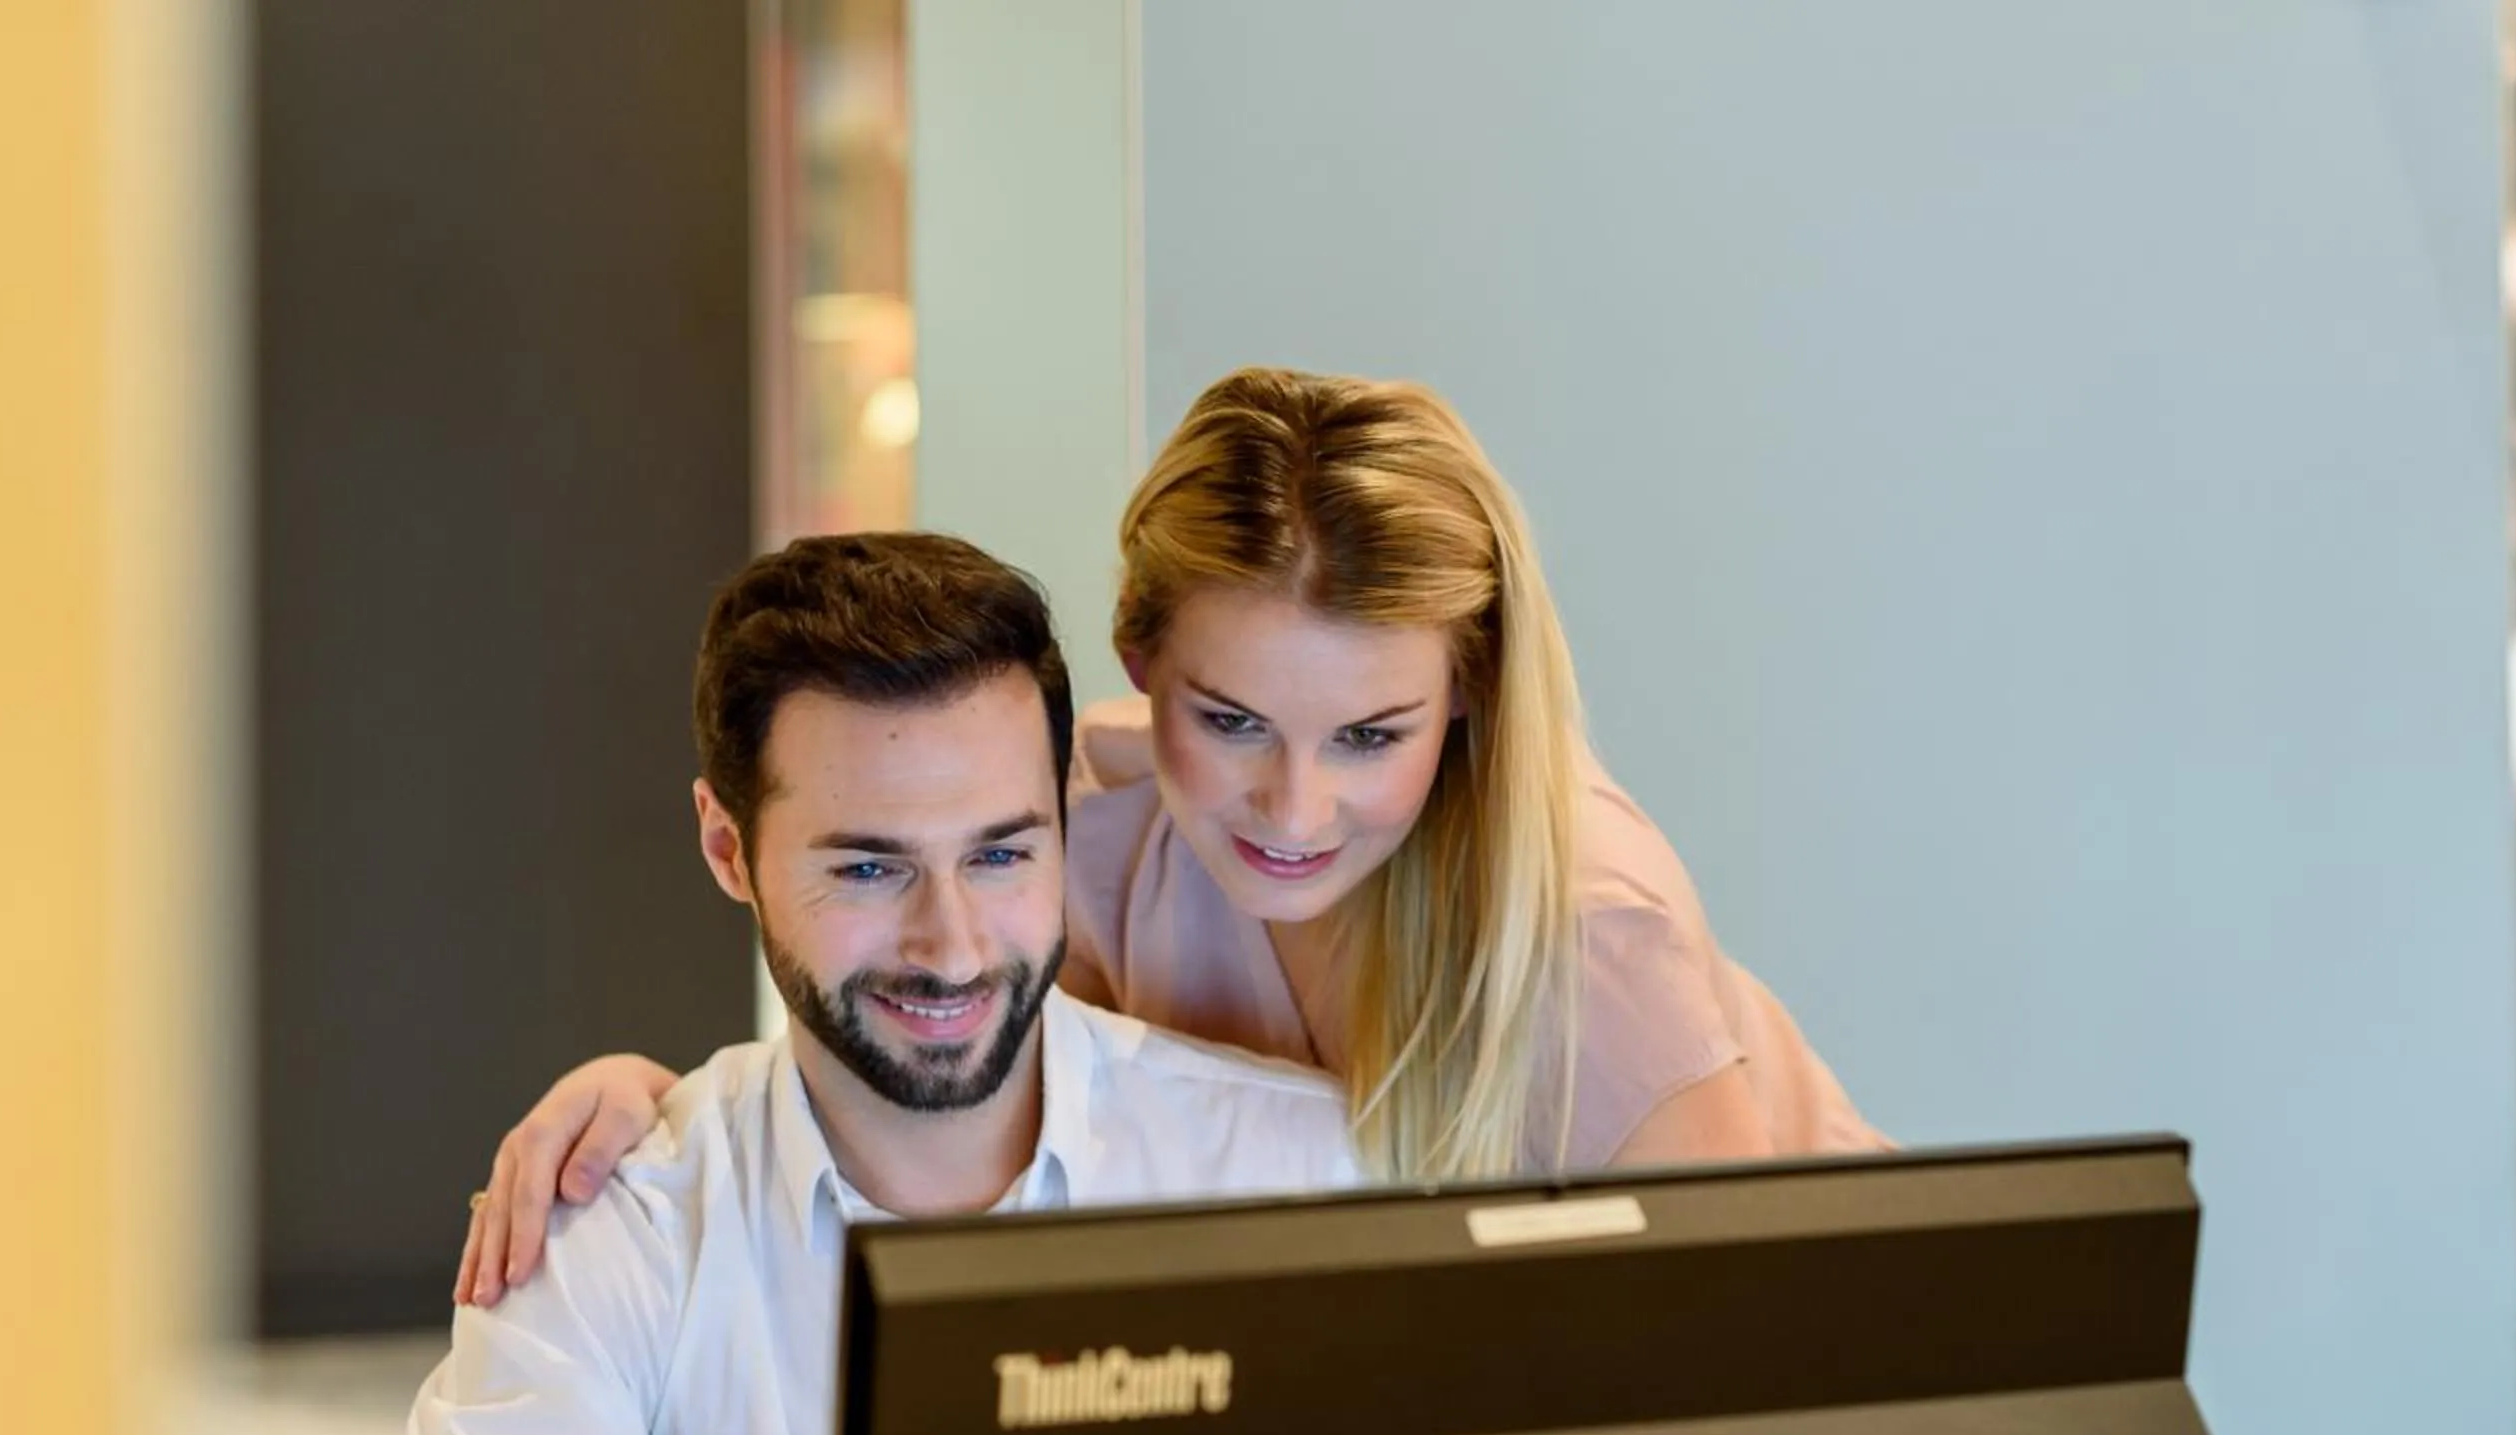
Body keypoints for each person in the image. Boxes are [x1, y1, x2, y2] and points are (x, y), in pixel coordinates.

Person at [302, 533, 1357, 1435]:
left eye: (1002, 851)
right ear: (731, 849)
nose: (951, 943)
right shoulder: (629, 1214)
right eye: (869, 866)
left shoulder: (1308, 1174)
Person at [458, 366, 1880, 1309]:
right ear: (1140, 652)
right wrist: (665, 1105)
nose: (1295, 809)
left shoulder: (1587, 935)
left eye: (1372, 736)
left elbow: (1744, 1377)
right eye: (1236, 719)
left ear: (1470, 699)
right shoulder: (1083, 835)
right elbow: (927, 1071)